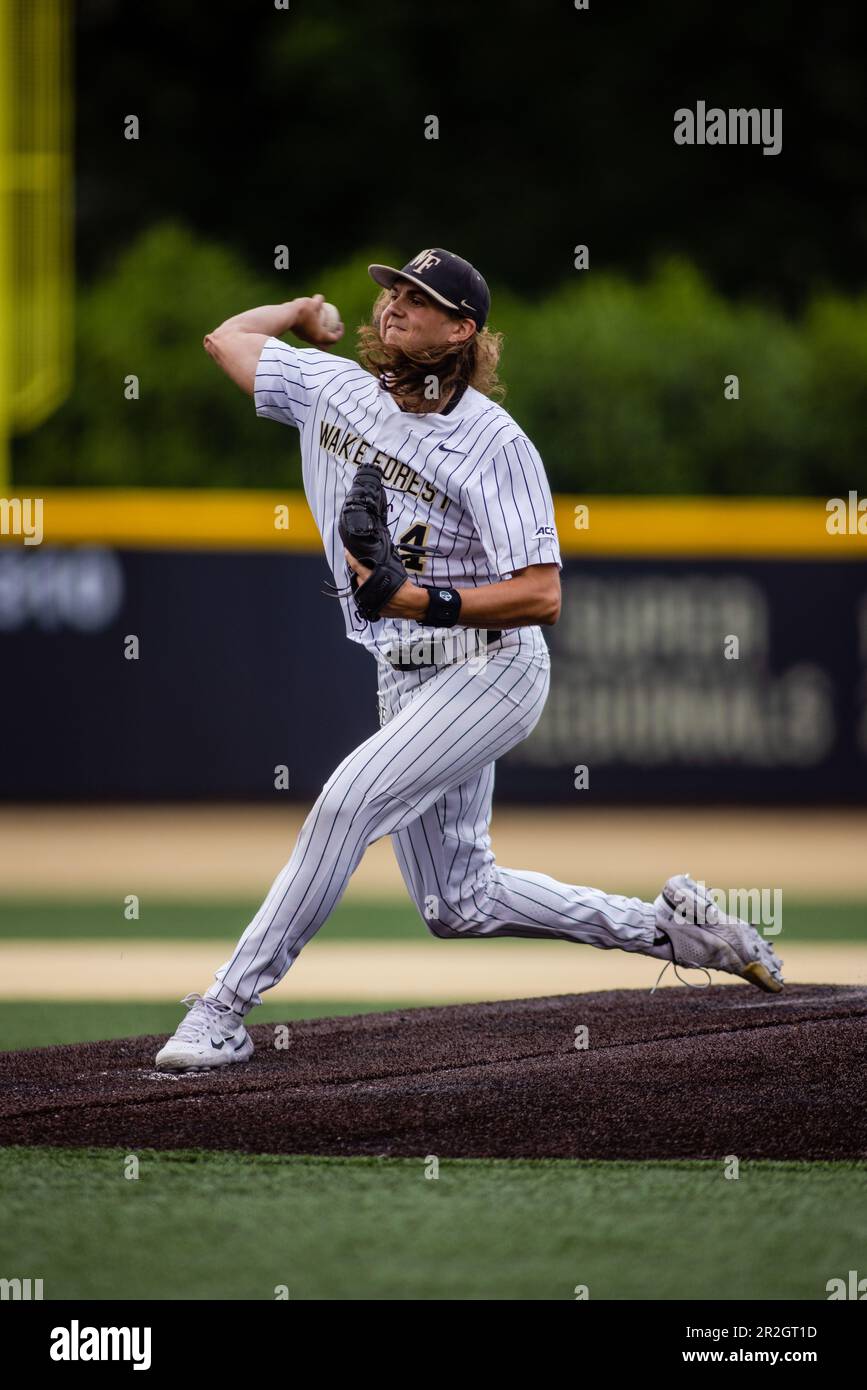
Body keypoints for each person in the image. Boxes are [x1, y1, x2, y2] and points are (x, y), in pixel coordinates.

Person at [156, 248, 783, 1071]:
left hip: (490, 666)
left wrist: (423, 600)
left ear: (462, 330)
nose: (394, 307)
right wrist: (301, 310)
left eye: (419, 299)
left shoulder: (494, 444)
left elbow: (541, 595)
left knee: (347, 801)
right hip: (402, 672)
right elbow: (223, 340)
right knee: (458, 902)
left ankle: (223, 1009)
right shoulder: (332, 387)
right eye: (392, 293)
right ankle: (673, 930)